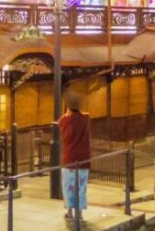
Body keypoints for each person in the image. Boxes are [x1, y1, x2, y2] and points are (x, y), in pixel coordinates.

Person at [59, 91, 91, 222]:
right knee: (81, 188)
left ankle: (70, 214)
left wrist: (67, 112)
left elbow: (62, 123)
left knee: (68, 187)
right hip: (84, 159)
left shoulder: (65, 120)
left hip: (70, 159)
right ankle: (80, 214)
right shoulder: (86, 118)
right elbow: (84, 114)